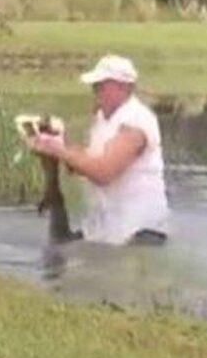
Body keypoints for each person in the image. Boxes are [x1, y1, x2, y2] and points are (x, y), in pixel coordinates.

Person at [28, 54, 170, 245]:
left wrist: (60, 150)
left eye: (101, 86)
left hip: (140, 232)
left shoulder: (136, 123)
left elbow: (104, 172)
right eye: (95, 86)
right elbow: (87, 163)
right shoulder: (103, 118)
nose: (95, 90)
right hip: (107, 230)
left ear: (123, 87)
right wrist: (54, 146)